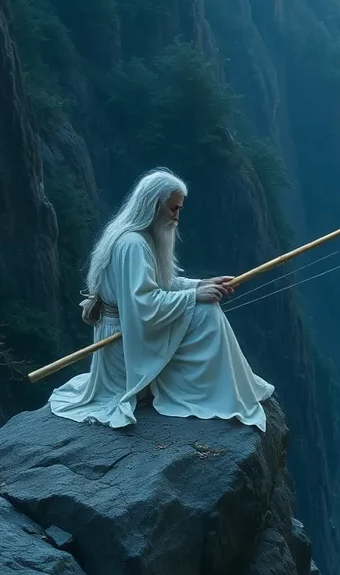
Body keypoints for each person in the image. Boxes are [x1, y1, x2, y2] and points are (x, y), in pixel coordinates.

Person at [48, 168, 275, 431]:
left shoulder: (138, 238)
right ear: (155, 206)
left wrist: (199, 285)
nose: (177, 217)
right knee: (206, 313)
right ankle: (211, 390)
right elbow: (143, 304)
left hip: (132, 333)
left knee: (205, 307)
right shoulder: (133, 244)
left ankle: (219, 387)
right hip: (125, 342)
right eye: (173, 209)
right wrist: (193, 297)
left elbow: (160, 284)